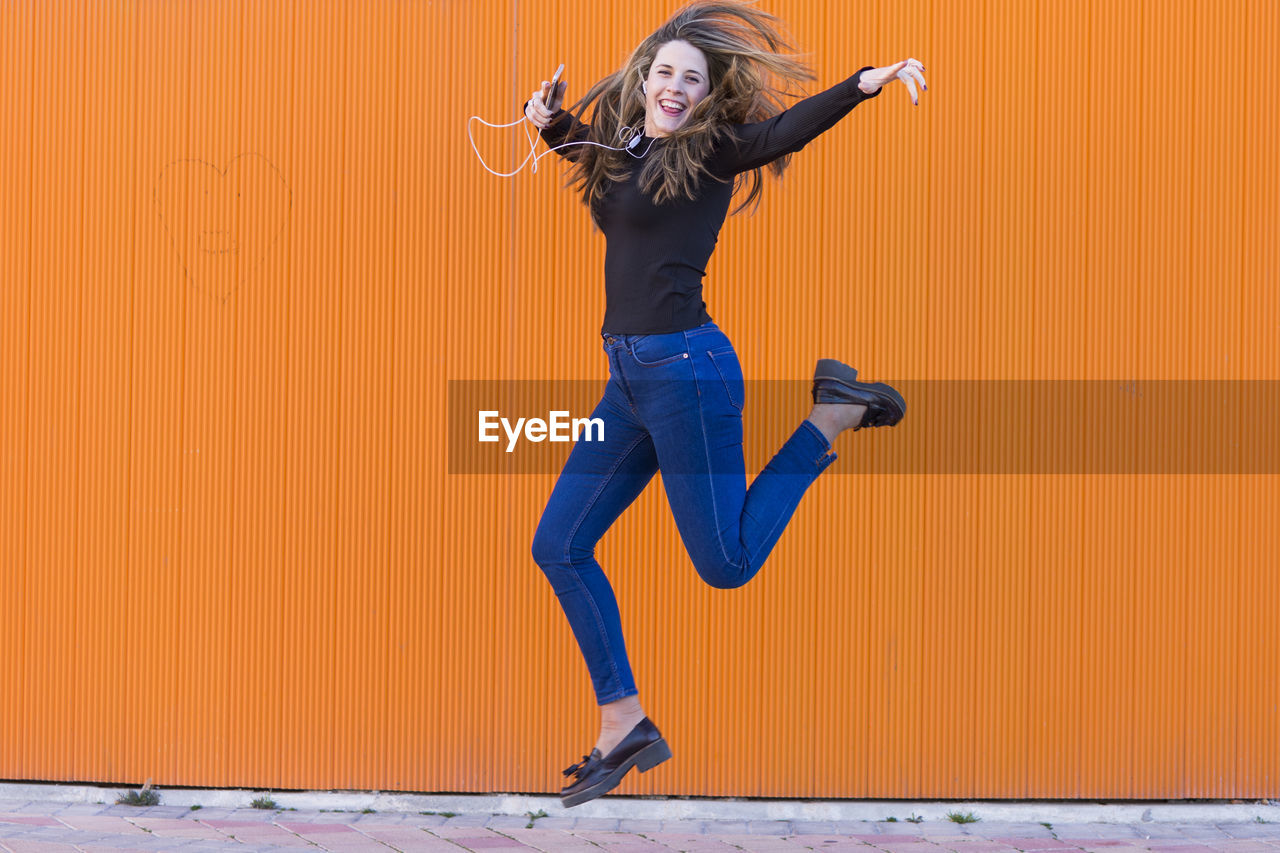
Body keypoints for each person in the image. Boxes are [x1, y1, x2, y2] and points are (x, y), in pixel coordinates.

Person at [523, 0, 926, 808]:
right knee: (559, 545)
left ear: (708, 97)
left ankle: (832, 416)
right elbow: (604, 174)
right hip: (629, 378)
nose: (675, 88)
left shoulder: (712, 152)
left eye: (692, 80)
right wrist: (550, 124)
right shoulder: (628, 143)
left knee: (726, 564)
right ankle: (623, 719)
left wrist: (866, 83)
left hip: (686, 371)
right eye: (665, 73)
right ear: (645, 81)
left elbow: (785, 134)